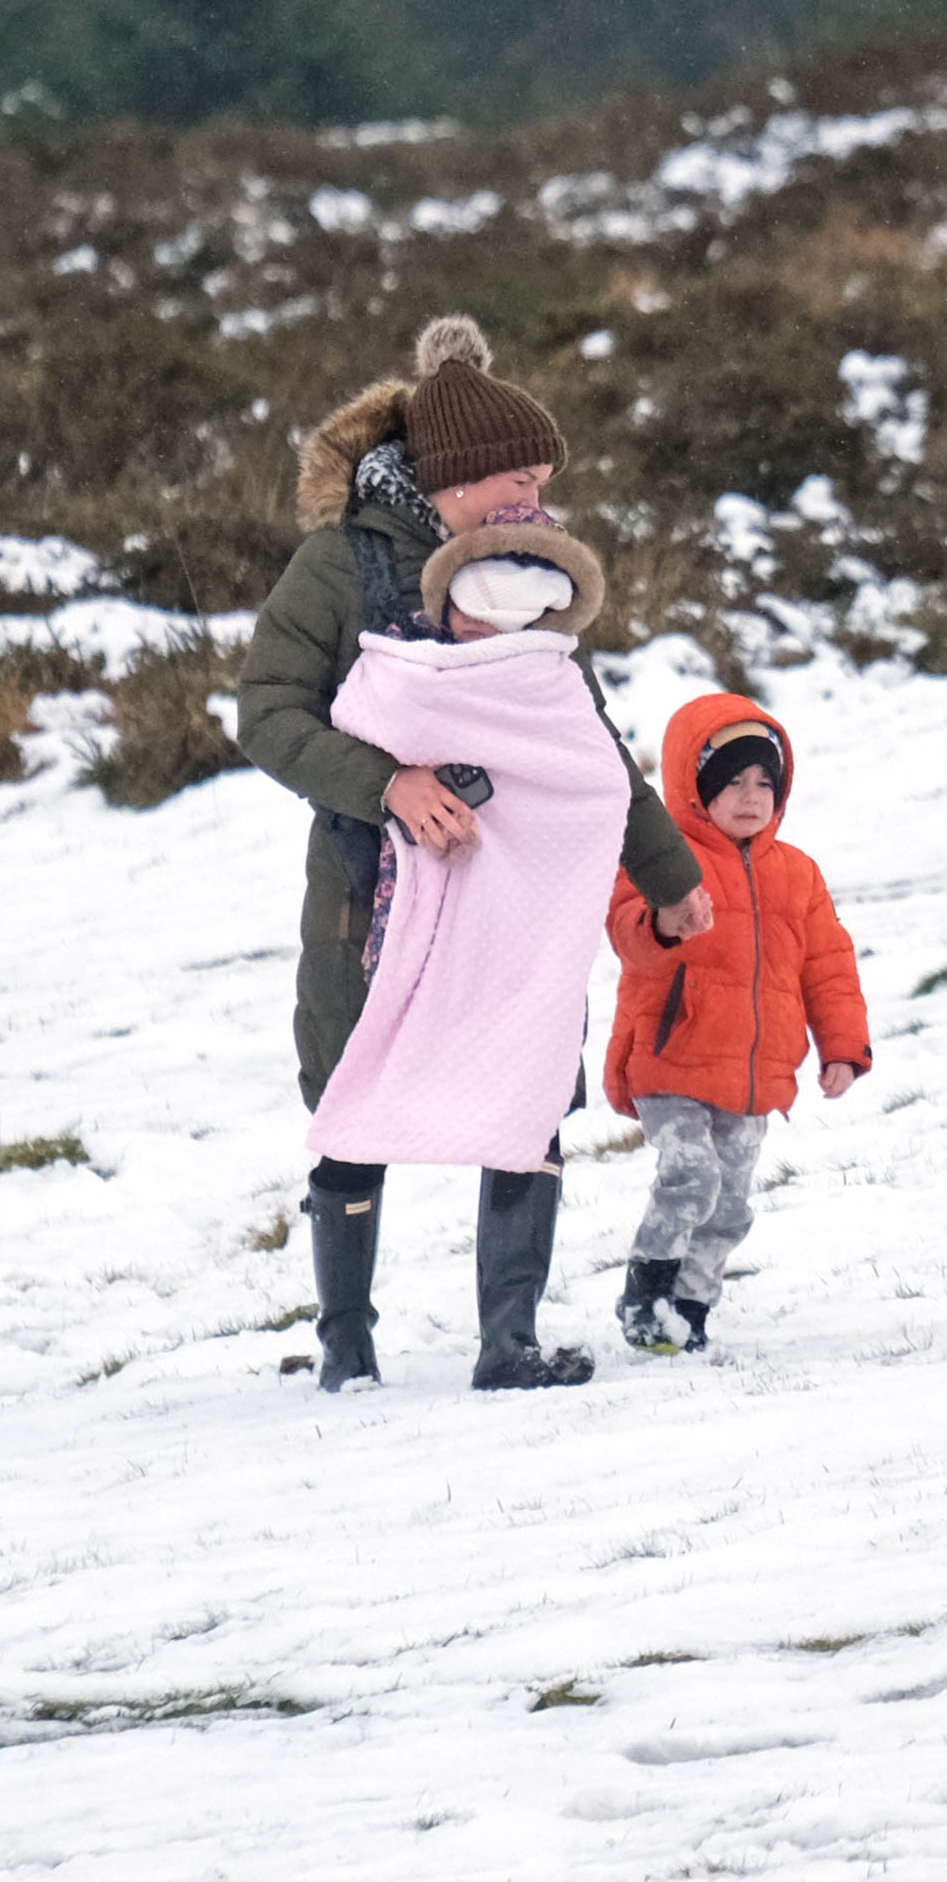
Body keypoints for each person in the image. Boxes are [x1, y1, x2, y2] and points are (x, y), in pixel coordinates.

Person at [237, 316, 709, 1393]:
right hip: (373, 895)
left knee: (530, 1084)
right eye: (512, 472)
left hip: (521, 900)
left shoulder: (529, 563)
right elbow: (266, 713)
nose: (532, 491)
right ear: (447, 480)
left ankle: (510, 1342)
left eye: (541, 471)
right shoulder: (339, 567)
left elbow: (581, 742)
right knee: (356, 1088)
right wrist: (387, 785)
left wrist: (668, 875)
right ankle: (345, 1346)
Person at [602, 695, 871, 1354]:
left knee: (729, 1207)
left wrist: (842, 1045)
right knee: (691, 1173)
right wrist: (664, 921)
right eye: (731, 782)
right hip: (672, 1058)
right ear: (694, 787)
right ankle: (647, 1294)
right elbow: (625, 931)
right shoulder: (661, 857)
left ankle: (689, 1309)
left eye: (764, 784)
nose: (750, 797)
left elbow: (827, 965)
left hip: (753, 1072)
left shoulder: (797, 874)